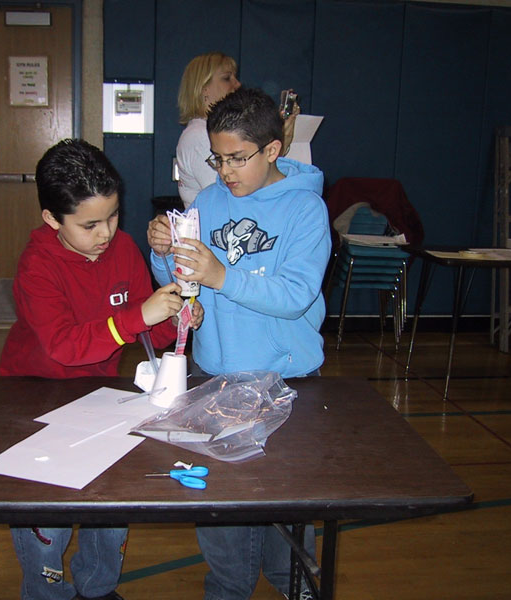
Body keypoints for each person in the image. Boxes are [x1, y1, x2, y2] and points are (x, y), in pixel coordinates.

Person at [0, 138, 203, 600]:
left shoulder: (125, 250)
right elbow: (65, 346)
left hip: (99, 396)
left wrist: (176, 322)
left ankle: (98, 589)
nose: (106, 232)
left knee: (108, 504)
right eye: (89, 224)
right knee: (44, 519)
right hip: (33, 398)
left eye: (112, 216)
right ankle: (47, 592)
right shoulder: (37, 265)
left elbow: (145, 334)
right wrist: (140, 315)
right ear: (52, 219)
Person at [147, 88, 330, 600]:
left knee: (284, 511)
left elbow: (295, 297)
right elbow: (188, 283)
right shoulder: (207, 201)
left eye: (236, 159)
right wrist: (164, 254)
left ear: (272, 150)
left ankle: (294, 586)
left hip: (285, 381)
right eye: (217, 158)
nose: (225, 171)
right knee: (221, 510)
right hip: (214, 375)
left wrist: (222, 275)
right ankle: (227, 587)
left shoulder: (306, 210)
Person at [175, 52, 299, 209]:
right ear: (204, 88)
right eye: (227, 78)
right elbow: (233, 195)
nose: (237, 84)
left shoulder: (202, 132)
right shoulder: (199, 135)